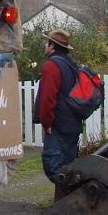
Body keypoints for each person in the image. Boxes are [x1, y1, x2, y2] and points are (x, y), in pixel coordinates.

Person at [35, 29, 81, 199]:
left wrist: (46, 123)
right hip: (72, 124)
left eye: (47, 43)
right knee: (67, 167)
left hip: (58, 125)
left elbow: (48, 98)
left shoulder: (52, 65)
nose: (45, 46)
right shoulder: (71, 64)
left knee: (54, 168)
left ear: (52, 45)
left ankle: (75, 198)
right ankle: (65, 205)